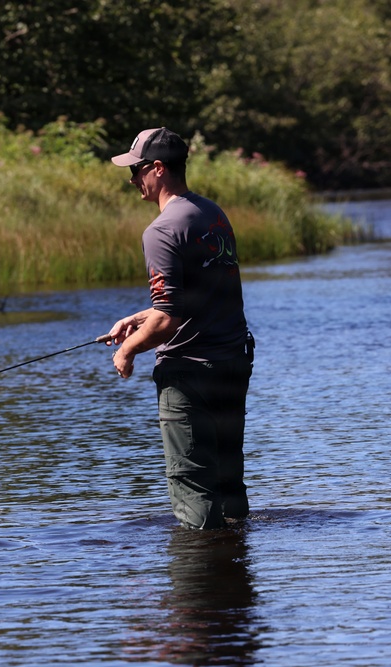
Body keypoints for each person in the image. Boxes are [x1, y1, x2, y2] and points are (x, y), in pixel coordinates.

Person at [106, 127, 254, 530]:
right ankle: (235, 563)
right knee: (228, 481)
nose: (132, 180)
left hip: (190, 375)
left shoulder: (161, 230)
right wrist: (140, 319)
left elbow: (168, 319)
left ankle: (196, 568)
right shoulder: (212, 214)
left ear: (157, 168)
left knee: (192, 486)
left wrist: (126, 351)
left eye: (135, 170)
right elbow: (199, 297)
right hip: (232, 365)